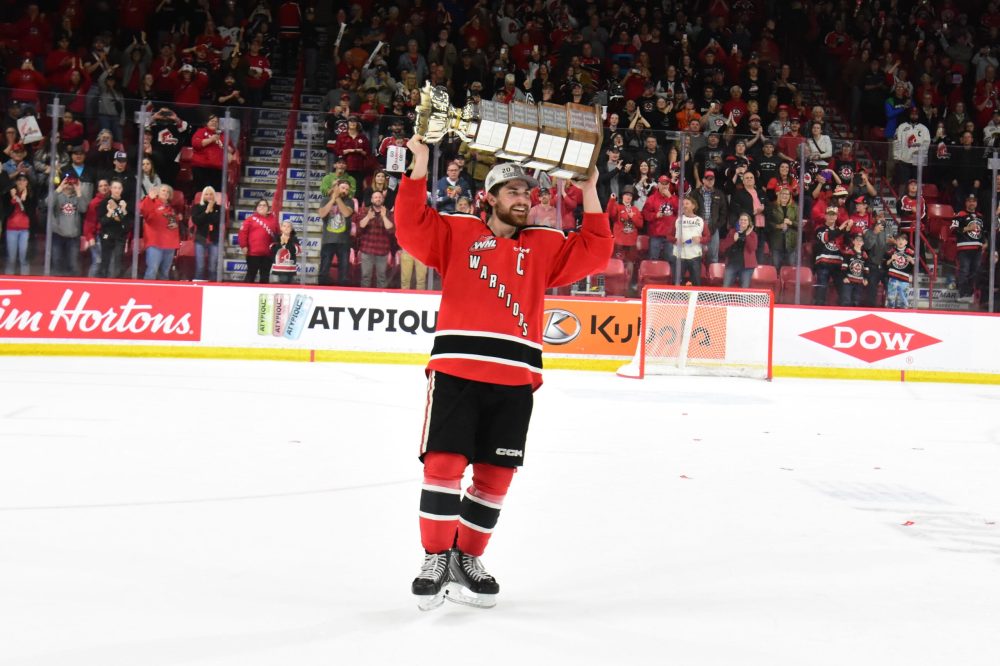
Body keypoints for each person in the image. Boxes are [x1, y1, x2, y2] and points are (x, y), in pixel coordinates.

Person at [397, 134, 612, 610]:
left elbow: (596, 250)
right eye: (512, 191)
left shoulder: (546, 245)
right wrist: (419, 165)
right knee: (444, 467)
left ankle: (466, 559)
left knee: (495, 478)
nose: (523, 199)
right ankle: (435, 557)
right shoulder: (456, 233)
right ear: (489, 198)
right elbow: (410, 227)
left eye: (528, 194)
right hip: (458, 370)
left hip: (516, 378)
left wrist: (591, 189)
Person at [317, 178, 355, 286]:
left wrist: (337, 198)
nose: (345, 191)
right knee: (324, 269)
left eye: (347, 189)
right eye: (343, 188)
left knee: (344, 271)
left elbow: (347, 213)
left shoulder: (349, 201)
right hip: (328, 240)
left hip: (343, 241)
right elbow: (322, 214)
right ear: (337, 188)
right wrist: (332, 199)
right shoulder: (325, 200)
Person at [951, 193, 986, 303]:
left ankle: (970, 294)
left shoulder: (980, 216)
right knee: (964, 270)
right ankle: (962, 294)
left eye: (974, 201)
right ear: (966, 202)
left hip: (978, 248)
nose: (972, 203)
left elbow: (983, 232)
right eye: (970, 201)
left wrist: (985, 242)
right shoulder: (959, 214)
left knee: (975, 272)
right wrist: (967, 228)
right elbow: (953, 229)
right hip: (964, 247)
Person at [356, 189, 395, 288]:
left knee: (381, 277)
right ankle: (364, 300)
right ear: (372, 200)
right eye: (376, 197)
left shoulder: (388, 213)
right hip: (367, 250)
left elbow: (391, 229)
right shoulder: (365, 211)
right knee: (365, 277)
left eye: (380, 197)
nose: (378, 199)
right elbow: (359, 227)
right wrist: (368, 217)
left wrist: (384, 216)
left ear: (383, 200)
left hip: (382, 251)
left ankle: (381, 301)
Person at [96, 180, 132, 279]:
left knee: (118, 261)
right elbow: (102, 222)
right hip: (107, 236)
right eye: (115, 187)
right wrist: (109, 213)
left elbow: (128, 224)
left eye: (119, 188)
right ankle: (103, 282)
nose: (117, 190)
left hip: (120, 237)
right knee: (105, 261)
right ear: (111, 189)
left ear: (122, 190)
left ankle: (115, 282)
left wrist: (124, 211)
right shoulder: (104, 203)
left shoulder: (124, 203)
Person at [238, 199, 279, 283]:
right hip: (253, 254)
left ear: (268, 208)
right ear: (256, 208)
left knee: (265, 277)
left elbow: (278, 234)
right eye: (260, 205)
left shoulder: (274, 220)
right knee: (250, 276)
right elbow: (242, 233)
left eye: (264, 205)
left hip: (268, 254)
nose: (262, 207)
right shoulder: (250, 219)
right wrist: (243, 246)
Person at [672, 195, 709, 285]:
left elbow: (708, 237)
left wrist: (700, 239)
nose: (684, 205)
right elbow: (668, 235)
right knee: (677, 283)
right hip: (679, 256)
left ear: (693, 206)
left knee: (696, 282)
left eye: (687, 203)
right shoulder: (677, 220)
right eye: (683, 204)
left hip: (695, 256)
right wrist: (675, 240)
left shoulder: (700, 220)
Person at [51, 175, 84, 276]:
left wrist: (78, 192)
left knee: (73, 264)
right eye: (67, 183)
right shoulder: (58, 196)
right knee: (56, 262)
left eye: (72, 184)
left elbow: (83, 209)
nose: (69, 186)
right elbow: (47, 204)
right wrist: (59, 188)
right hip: (58, 234)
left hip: (73, 236)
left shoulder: (78, 197)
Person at [813, 206, 845, 305]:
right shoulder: (820, 229)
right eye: (829, 215)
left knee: (843, 291)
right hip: (823, 264)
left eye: (833, 215)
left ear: (836, 217)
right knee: (821, 290)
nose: (831, 217)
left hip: (838, 265)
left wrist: (846, 230)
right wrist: (840, 228)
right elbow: (825, 238)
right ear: (825, 216)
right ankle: (818, 309)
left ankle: (843, 311)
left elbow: (846, 245)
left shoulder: (841, 230)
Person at [4, 173, 35, 275]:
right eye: (19, 180)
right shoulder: (9, 194)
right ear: (16, 182)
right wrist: (13, 199)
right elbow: (6, 213)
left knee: (24, 257)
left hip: (24, 230)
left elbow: (31, 214)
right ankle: (8, 280)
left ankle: (26, 280)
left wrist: (24, 199)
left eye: (24, 180)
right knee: (11, 257)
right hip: (11, 229)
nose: (22, 182)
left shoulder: (31, 195)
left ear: (27, 182)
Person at [765, 186, 799, 273]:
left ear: (790, 196)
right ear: (779, 195)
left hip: (791, 242)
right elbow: (767, 223)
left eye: (787, 194)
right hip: (776, 242)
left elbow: (800, 224)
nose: (785, 196)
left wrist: (791, 223)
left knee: (791, 268)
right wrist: (778, 226)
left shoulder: (795, 207)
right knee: (775, 267)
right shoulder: (772, 206)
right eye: (783, 193)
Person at [190, 186, 221, 281]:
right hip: (200, 239)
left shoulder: (219, 208)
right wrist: (207, 211)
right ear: (203, 196)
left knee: (212, 267)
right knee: (200, 267)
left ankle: (213, 287)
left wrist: (211, 210)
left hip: (214, 240)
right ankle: (197, 287)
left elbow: (217, 221)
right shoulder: (197, 207)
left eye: (211, 194)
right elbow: (197, 221)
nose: (209, 196)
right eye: (206, 194)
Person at [720, 213, 758, 288]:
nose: (743, 221)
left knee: (744, 290)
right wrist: (733, 239)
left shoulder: (752, 234)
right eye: (741, 220)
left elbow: (753, 248)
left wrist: (746, 236)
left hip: (747, 267)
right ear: (738, 221)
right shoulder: (732, 232)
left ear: (749, 222)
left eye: (745, 220)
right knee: (725, 288)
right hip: (732, 264)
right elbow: (722, 247)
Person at [885, 233, 915, 309]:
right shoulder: (892, 251)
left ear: (906, 242)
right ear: (896, 241)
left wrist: (912, 261)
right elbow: (886, 264)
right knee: (891, 299)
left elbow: (916, 266)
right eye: (898, 240)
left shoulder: (910, 252)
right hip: (893, 278)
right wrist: (892, 259)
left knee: (904, 300)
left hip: (904, 279)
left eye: (903, 240)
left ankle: (904, 316)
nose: (900, 241)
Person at [839, 234, 869, 307]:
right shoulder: (849, 252)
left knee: (856, 301)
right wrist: (844, 277)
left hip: (859, 281)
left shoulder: (864, 254)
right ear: (853, 242)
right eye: (857, 240)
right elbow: (844, 266)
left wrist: (866, 278)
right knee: (846, 300)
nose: (859, 242)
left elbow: (866, 268)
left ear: (863, 243)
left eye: (861, 241)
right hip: (849, 280)